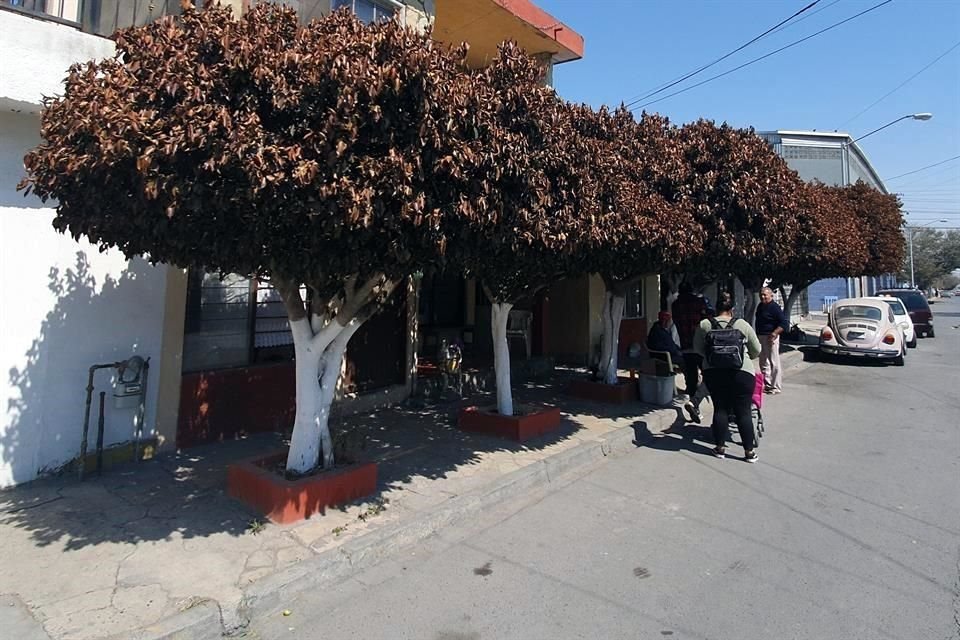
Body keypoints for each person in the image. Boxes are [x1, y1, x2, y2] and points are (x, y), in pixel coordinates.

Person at [694, 292, 762, 462]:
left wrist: (713, 358)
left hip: (714, 372)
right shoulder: (742, 324)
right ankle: (749, 452)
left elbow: (697, 349)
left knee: (720, 408)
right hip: (742, 372)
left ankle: (720, 448)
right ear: (731, 309)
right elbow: (757, 349)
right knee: (744, 412)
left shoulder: (704, 324)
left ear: (715, 308)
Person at [672, 282, 708, 422]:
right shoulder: (699, 302)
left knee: (691, 377)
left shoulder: (676, 305)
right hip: (700, 345)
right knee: (708, 375)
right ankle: (695, 402)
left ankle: (693, 405)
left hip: (685, 344)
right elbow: (707, 319)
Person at [755, 286, 787, 395]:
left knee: (774, 362)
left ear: (771, 295)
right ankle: (767, 384)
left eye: (765, 295)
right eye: (761, 295)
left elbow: (784, 323)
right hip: (761, 336)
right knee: (763, 362)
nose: (762, 297)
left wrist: (774, 333)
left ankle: (776, 386)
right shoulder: (760, 306)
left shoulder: (775, 307)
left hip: (771, 337)